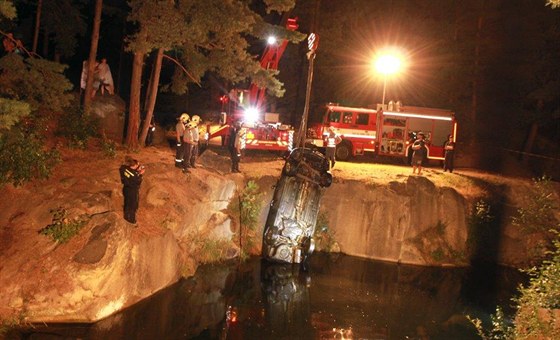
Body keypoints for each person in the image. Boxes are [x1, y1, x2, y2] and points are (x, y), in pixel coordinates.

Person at [119, 156, 144, 225]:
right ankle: (132, 221)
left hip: (126, 188)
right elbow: (138, 181)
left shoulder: (123, 168)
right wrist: (140, 174)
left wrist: (136, 171)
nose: (139, 166)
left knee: (127, 203)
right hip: (132, 190)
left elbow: (129, 173)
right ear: (135, 165)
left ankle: (126, 216)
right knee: (132, 206)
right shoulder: (134, 175)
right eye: (138, 165)